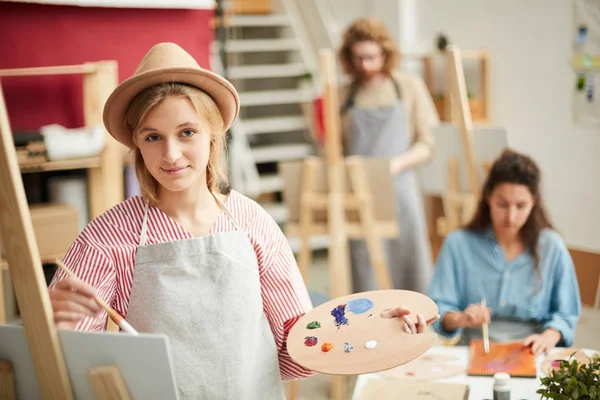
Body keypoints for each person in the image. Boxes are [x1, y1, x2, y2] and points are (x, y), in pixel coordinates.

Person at [48, 42, 438, 399]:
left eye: (187, 132)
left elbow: (298, 345)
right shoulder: (106, 235)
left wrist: (378, 328)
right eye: (153, 137)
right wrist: (57, 326)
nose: (171, 154)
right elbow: (77, 364)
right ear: (136, 142)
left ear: (213, 133)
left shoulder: (252, 221)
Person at [428, 149, 582, 354]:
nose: (510, 216)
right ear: (488, 197)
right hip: (473, 349)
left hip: (533, 349)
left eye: (521, 206)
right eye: (502, 204)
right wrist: (460, 318)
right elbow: (439, 308)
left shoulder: (552, 246)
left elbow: (566, 313)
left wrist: (548, 336)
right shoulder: (457, 243)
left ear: (534, 202)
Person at [337, 18, 439, 294]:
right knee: (365, 272)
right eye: (358, 58)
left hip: (400, 191)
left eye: (371, 57)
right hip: (360, 196)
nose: (365, 66)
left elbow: (428, 144)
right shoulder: (344, 95)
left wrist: (395, 165)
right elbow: (335, 150)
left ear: (385, 53)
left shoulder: (408, 87)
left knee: (410, 267)